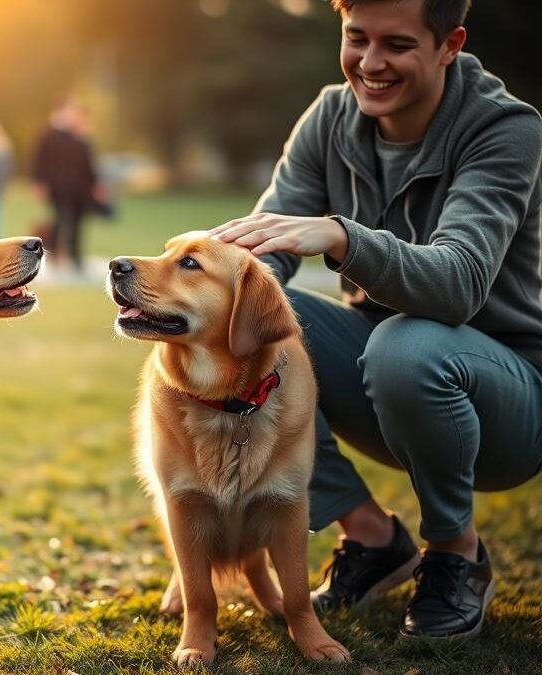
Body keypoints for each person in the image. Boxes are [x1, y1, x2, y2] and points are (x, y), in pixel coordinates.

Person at [211, 0, 542, 640]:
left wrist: (341, 236)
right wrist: (211, 285)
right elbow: (261, 255)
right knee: (240, 326)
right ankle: (369, 533)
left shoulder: (505, 128)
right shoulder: (329, 118)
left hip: (508, 400)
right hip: (379, 379)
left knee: (406, 345)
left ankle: (455, 555)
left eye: (396, 45)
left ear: (450, 44)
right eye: (356, 38)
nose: (370, 63)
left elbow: (458, 284)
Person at [32, 97, 100, 273]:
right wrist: (40, 183)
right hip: (58, 187)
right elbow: (40, 161)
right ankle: (54, 257)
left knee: (77, 222)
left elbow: (87, 163)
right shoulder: (49, 135)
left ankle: (76, 257)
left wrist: (94, 184)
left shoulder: (76, 134)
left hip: (78, 188)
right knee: (60, 220)